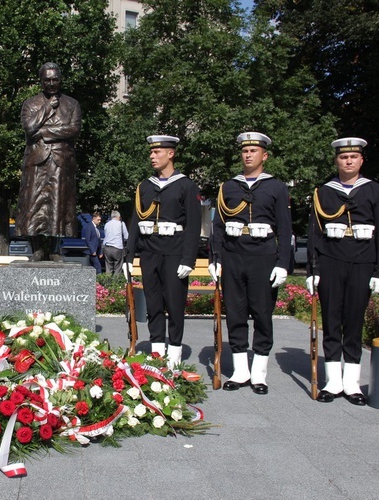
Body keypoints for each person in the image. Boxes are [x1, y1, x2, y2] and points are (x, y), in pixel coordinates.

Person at [306, 137, 379, 405]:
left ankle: (352, 383)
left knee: (354, 321)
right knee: (331, 320)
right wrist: (312, 269)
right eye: (343, 157)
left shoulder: (374, 191)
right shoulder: (324, 192)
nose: (348, 161)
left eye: (353, 157)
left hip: (363, 262)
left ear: (361, 160)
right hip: (331, 260)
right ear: (336, 160)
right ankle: (333, 381)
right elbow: (315, 233)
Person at [209, 132, 292, 395]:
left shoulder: (276, 187)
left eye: (254, 151)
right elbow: (218, 227)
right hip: (234, 255)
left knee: (262, 313)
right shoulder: (228, 187)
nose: (248, 155)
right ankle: (240, 371)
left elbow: (285, 229)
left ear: (264, 156)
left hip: (263, 256)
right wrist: (216, 258)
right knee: (235, 313)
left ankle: (259, 373)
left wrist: (283, 263)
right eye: (245, 151)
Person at [125, 135, 201, 369]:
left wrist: (189, 258)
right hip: (150, 251)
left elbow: (194, 225)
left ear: (171, 154)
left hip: (175, 251)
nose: (152, 156)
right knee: (153, 302)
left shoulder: (186, 186)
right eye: (151, 152)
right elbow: (137, 220)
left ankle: (175, 351)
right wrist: (129, 255)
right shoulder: (145, 186)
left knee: (175, 303)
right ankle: (157, 350)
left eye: (157, 152)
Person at [16, 62, 81, 246]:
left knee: (57, 207)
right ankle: (35, 248)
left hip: (61, 160)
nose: (52, 84)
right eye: (47, 80)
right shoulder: (31, 104)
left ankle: (55, 249)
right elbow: (29, 128)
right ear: (41, 81)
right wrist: (46, 109)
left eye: (55, 80)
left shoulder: (72, 104)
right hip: (36, 160)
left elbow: (74, 130)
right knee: (33, 205)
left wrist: (44, 132)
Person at [102, 210, 128, 275]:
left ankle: (107, 282)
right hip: (117, 248)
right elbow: (126, 236)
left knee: (108, 267)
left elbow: (106, 235)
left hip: (107, 248)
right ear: (118, 217)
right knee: (118, 267)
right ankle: (116, 283)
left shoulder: (107, 224)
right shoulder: (121, 224)